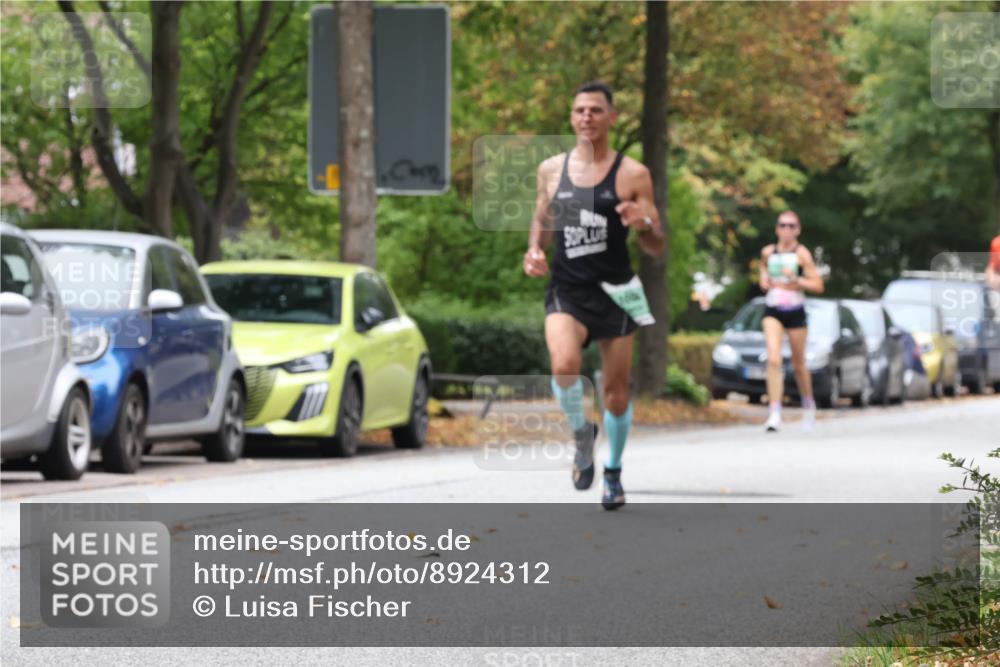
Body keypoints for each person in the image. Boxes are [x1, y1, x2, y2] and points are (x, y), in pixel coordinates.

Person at [523, 82, 666, 510]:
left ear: (611, 118)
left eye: (596, 110)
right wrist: (534, 250)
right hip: (567, 288)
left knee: (616, 393)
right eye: (580, 110)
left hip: (617, 293)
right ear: (572, 117)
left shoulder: (633, 174)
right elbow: (542, 218)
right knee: (565, 366)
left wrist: (643, 224)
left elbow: (656, 245)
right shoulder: (552, 169)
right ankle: (582, 432)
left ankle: (614, 473)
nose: (587, 116)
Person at [758, 211, 824, 432]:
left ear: (798, 229)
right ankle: (775, 413)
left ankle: (808, 405)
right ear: (777, 228)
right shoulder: (768, 252)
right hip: (773, 309)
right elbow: (762, 273)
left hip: (795, 309)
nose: (787, 229)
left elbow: (817, 285)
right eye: (783, 225)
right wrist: (764, 281)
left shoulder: (801, 254)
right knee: (774, 359)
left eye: (791, 226)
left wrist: (799, 280)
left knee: (798, 363)